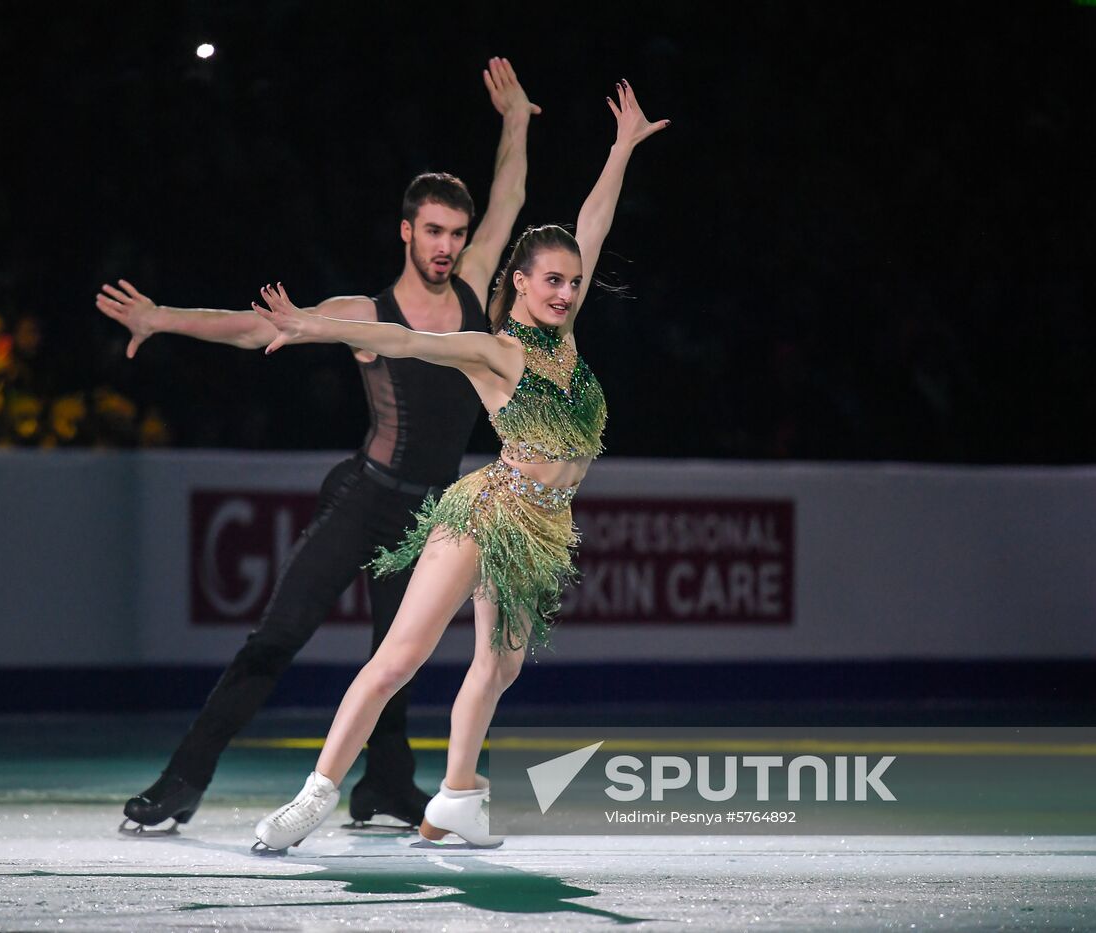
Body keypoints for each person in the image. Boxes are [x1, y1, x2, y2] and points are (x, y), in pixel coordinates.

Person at [95, 58, 541, 834]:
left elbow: (511, 194)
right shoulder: (361, 312)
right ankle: (181, 779)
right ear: (406, 231)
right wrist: (161, 317)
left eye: (456, 234)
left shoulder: (473, 289)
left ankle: (384, 786)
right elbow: (252, 326)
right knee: (276, 638)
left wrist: (515, 121)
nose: (446, 246)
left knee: (397, 661)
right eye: (432, 231)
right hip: (364, 500)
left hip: (432, 513)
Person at [251, 79, 668, 851]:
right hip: (488, 511)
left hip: (543, 527)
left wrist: (620, 149)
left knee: (498, 667)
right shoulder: (496, 347)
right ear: (519, 281)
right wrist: (308, 325)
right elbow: (410, 341)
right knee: (398, 658)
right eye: (552, 280)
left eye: (573, 283)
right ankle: (313, 796)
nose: (567, 291)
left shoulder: (566, 334)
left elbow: (592, 225)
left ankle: (456, 797)